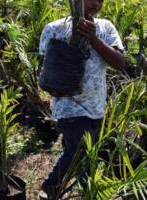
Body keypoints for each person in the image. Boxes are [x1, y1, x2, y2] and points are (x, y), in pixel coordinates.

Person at [37, 0, 126, 199]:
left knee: (74, 152)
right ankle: (54, 188)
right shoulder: (55, 28)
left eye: (101, 0)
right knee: (81, 155)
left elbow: (120, 63)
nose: (97, 4)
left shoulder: (105, 27)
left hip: (96, 106)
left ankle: (53, 190)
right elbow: (43, 70)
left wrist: (93, 38)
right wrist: (54, 87)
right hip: (69, 107)